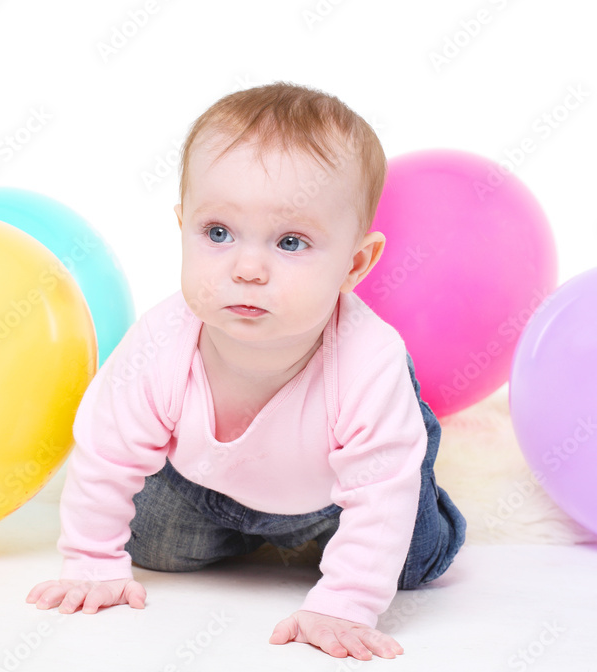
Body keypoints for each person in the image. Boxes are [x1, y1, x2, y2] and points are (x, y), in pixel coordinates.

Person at [26, 81, 466, 660]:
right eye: (217, 233)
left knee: (411, 562)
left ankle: (410, 476)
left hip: (341, 489)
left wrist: (343, 603)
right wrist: (91, 562)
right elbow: (107, 452)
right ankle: (254, 535)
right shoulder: (161, 341)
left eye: (290, 242)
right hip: (210, 480)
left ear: (355, 264)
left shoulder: (368, 360)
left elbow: (379, 492)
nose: (248, 268)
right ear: (182, 225)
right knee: (151, 547)